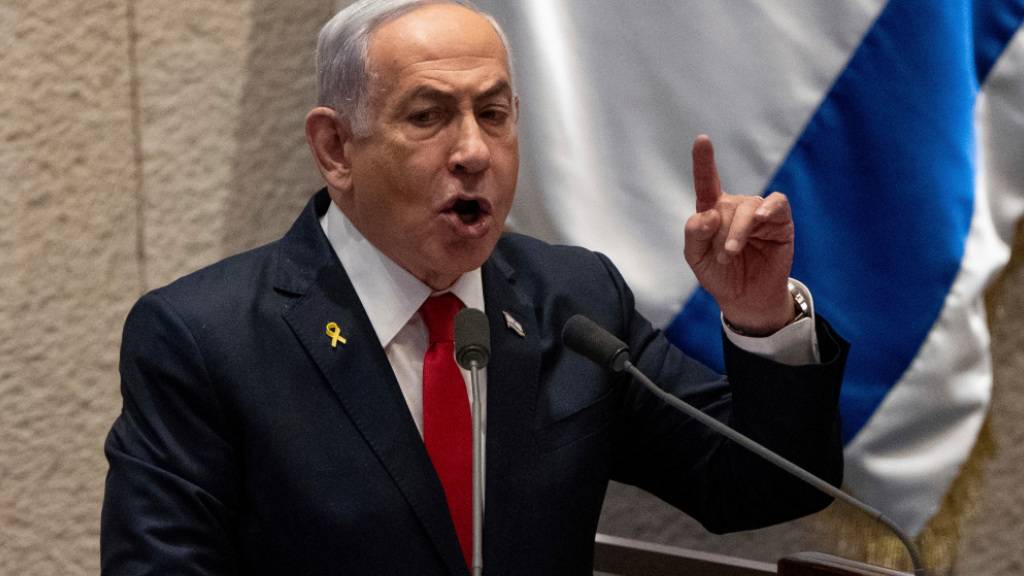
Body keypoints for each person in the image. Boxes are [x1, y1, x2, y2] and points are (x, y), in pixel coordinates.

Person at [101, 1, 849, 574]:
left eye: (493, 115)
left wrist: (759, 319)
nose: (472, 151)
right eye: (428, 117)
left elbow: (764, 486)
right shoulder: (206, 339)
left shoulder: (572, 298)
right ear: (336, 148)